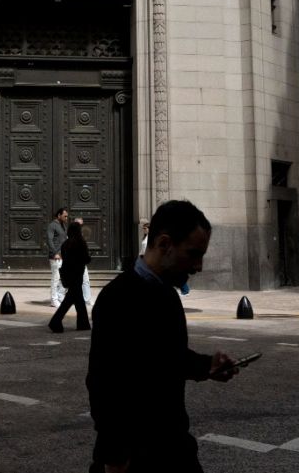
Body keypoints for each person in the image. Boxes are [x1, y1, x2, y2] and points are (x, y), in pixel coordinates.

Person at [87, 200, 239, 473]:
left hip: (173, 447)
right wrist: (114, 456)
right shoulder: (118, 298)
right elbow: (104, 382)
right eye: (193, 254)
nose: (198, 266)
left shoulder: (167, 293)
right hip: (137, 456)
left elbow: (167, 357)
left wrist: (207, 365)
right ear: (164, 244)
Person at [49, 219, 91, 333]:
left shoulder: (66, 244)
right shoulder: (81, 243)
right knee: (70, 300)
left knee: (78, 299)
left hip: (68, 274)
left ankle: (83, 324)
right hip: (77, 274)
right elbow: (86, 259)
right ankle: (55, 321)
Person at [46, 207, 69, 307]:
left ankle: (60, 297)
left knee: (64, 278)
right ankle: (53, 300)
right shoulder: (52, 225)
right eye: (65, 216)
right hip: (56, 256)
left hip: (64, 256)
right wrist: (55, 253)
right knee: (56, 278)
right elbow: (49, 240)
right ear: (59, 215)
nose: (66, 218)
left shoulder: (63, 225)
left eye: (67, 216)